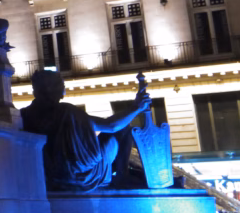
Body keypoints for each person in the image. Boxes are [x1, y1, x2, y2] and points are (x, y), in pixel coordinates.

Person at [21, 69, 151, 191]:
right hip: (80, 177)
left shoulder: (24, 114)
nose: (64, 90)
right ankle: (122, 176)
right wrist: (137, 108)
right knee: (123, 129)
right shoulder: (67, 112)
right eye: (62, 86)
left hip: (49, 179)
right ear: (55, 90)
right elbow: (111, 126)